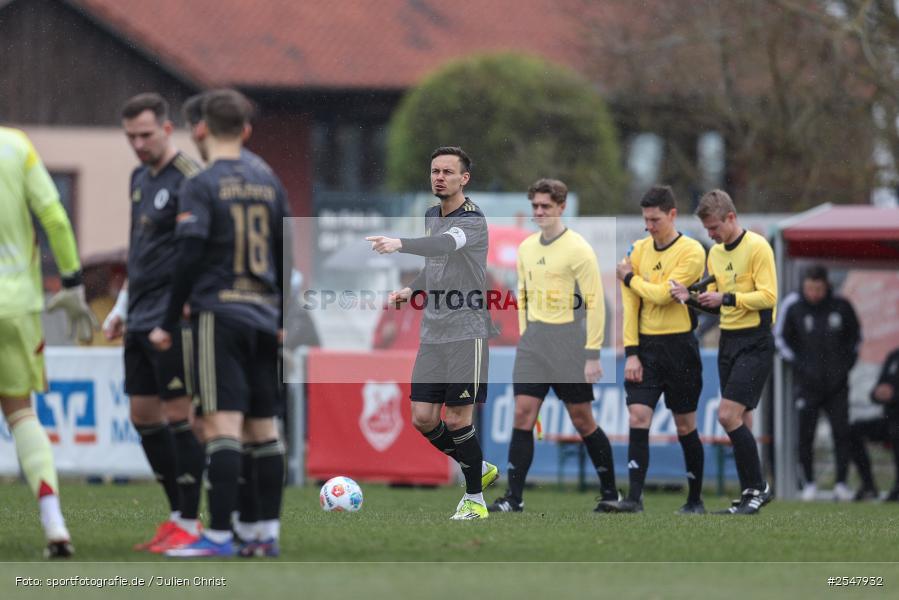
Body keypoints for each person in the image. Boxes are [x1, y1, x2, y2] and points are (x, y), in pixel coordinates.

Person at [150, 88, 290, 557]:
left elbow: (189, 255)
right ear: (246, 130)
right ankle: (264, 534)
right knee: (264, 429)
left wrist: (168, 318)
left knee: (221, 426)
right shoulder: (270, 180)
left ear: (202, 128)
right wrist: (285, 316)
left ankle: (218, 536)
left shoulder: (202, 183)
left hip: (221, 315)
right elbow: (285, 251)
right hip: (266, 316)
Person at [366, 146, 497, 520]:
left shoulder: (472, 220)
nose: (439, 177)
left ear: (464, 179)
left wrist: (400, 244)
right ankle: (478, 467)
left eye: (448, 172)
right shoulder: (430, 215)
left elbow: (444, 244)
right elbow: (435, 263)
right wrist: (411, 289)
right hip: (433, 332)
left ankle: (474, 500)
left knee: (457, 419)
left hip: (467, 331)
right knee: (422, 417)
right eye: (435, 171)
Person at [102, 93, 206, 553]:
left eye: (145, 135)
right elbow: (139, 250)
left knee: (181, 417)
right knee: (143, 416)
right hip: (139, 314)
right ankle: (177, 514)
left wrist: (189, 302)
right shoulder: (138, 178)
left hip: (172, 316)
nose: (138, 144)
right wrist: (120, 307)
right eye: (131, 137)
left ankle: (190, 521)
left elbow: (198, 249)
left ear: (166, 129)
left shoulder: (190, 177)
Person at [487, 178, 617, 513]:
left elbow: (596, 305)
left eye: (546, 206)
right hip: (534, 342)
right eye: (535, 206)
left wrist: (592, 354)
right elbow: (523, 296)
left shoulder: (579, 249)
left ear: (561, 207)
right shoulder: (527, 248)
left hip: (569, 341)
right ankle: (513, 498)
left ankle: (610, 493)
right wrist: (526, 334)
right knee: (522, 413)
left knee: (582, 419)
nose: (540, 212)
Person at [0, 126, 98, 558]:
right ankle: (54, 522)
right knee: (21, 412)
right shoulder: (16, 146)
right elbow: (55, 217)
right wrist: (73, 281)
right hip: (16, 305)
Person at [599, 185, 707, 514]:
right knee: (638, 415)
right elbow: (631, 305)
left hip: (680, 347)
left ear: (672, 215)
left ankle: (694, 499)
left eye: (655, 220)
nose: (649, 226)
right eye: (645, 220)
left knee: (685, 424)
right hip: (646, 348)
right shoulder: (637, 250)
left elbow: (663, 296)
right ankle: (634, 498)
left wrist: (630, 279)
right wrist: (631, 352)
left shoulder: (692, 251)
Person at [670, 189, 776, 514]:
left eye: (715, 228)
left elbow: (768, 297)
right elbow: (716, 306)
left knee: (726, 415)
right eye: (707, 230)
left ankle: (759, 488)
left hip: (755, 341)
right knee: (742, 419)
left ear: (731, 217)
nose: (711, 235)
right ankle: (749, 494)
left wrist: (726, 298)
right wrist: (689, 298)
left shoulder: (757, 246)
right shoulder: (715, 254)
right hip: (728, 342)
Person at [775, 264, 861, 501]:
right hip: (807, 385)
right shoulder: (793, 306)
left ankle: (841, 484)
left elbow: (856, 339)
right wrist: (800, 366)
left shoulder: (841, 306)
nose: (813, 293)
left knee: (841, 433)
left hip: (837, 385)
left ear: (826, 286)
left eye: (818, 288)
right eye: (809, 288)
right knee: (805, 435)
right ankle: (809, 485)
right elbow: (780, 339)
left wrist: (843, 368)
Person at [849, 347, 899, 502]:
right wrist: (877, 393)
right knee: (852, 431)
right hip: (890, 419)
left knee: (896, 431)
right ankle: (869, 486)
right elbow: (880, 387)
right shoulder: (894, 356)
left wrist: (894, 394)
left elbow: (893, 392)